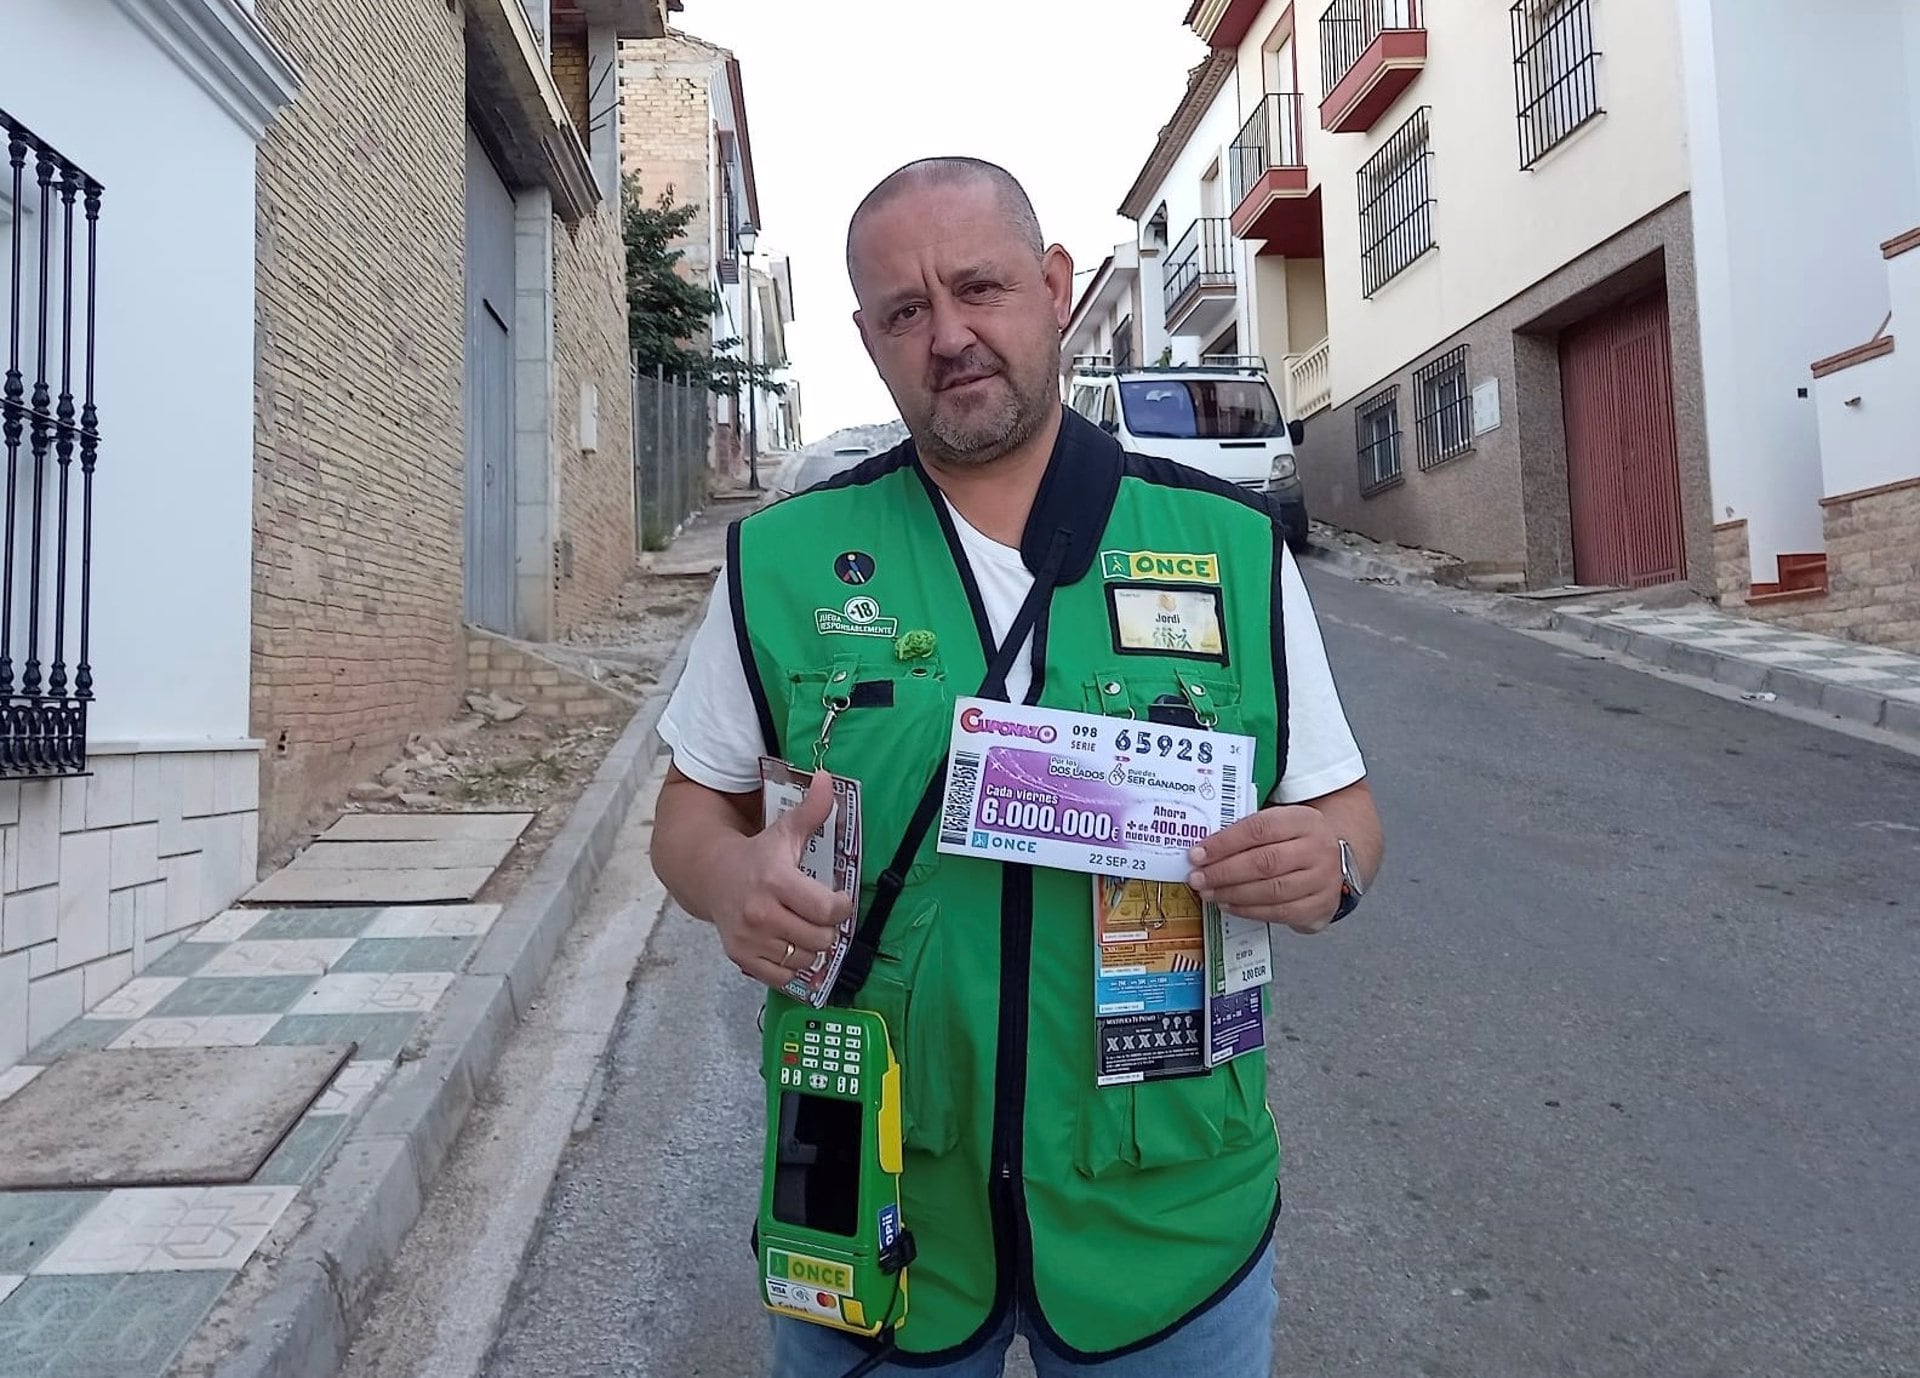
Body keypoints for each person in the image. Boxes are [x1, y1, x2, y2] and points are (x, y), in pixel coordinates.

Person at [650, 157, 1383, 1378]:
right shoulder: (782, 560)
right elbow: (690, 809)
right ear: (868, 339)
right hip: (878, 1210)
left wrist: (1331, 862)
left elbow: (1346, 807)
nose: (948, 335)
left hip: (1168, 1215)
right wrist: (730, 881)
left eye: (979, 288)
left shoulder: (1233, 549)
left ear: (1052, 288)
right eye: (904, 311)